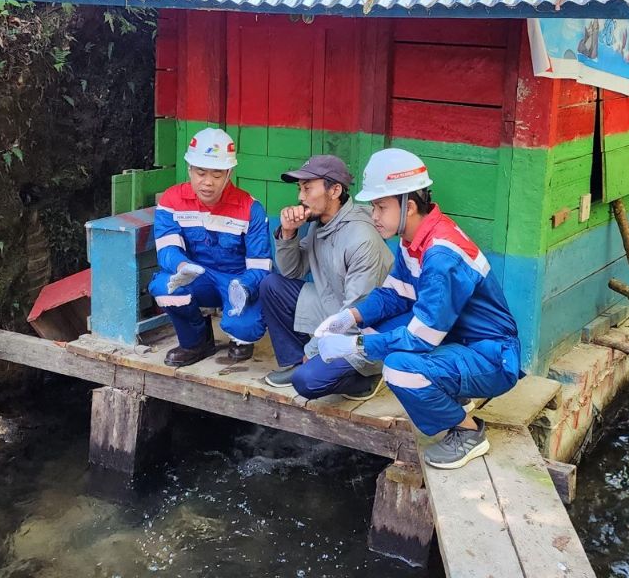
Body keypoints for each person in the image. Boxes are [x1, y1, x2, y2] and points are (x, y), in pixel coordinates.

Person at [313, 148, 521, 470]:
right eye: (373, 207)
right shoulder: (416, 239)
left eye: (381, 207)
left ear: (408, 206)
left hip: (491, 356)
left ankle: (468, 432)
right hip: (460, 341)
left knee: (399, 368)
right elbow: (394, 295)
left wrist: (355, 344)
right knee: (380, 333)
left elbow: (420, 339)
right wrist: (349, 317)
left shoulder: (440, 256)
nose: (374, 215)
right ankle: (451, 393)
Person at [259, 155, 393, 400]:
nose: (301, 197)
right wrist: (288, 233)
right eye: (300, 189)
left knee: (308, 382)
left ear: (335, 190)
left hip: (365, 325)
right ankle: (296, 362)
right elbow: (292, 271)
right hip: (334, 304)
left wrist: (313, 349)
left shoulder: (361, 238)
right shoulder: (320, 221)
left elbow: (357, 311)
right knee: (272, 286)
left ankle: (366, 377)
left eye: (308, 188)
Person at [148, 128, 272, 367]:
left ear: (229, 173)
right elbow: (166, 249)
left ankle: (240, 338)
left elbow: (261, 265)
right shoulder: (171, 201)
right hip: (197, 276)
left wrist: (244, 287)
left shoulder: (251, 208)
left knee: (244, 328)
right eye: (200, 172)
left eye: (217, 174)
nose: (207, 182)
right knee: (165, 288)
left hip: (237, 282)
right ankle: (195, 342)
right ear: (189, 170)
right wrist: (182, 265)